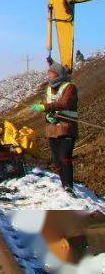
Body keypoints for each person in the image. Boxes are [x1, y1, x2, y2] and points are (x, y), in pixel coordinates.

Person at [31, 61, 79, 192]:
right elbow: (49, 103)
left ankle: (68, 186)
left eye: (51, 74)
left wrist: (45, 107)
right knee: (57, 161)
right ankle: (64, 185)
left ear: (58, 74)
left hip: (66, 127)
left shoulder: (70, 87)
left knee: (65, 157)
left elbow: (65, 103)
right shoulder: (49, 88)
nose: (49, 76)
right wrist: (45, 112)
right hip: (52, 129)